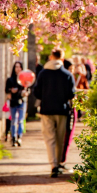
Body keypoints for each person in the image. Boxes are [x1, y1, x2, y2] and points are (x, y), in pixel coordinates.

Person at [32, 48, 76, 178]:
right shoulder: (67, 75)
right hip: (62, 110)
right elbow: (71, 94)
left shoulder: (43, 73)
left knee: (49, 138)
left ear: (51, 57)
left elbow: (37, 92)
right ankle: (58, 162)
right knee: (60, 138)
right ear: (62, 59)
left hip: (46, 109)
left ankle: (53, 165)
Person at [5, 61, 29, 147]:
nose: (18, 69)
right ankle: (13, 137)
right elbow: (6, 90)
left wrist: (25, 93)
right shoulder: (10, 79)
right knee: (13, 120)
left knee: (20, 120)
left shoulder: (24, 79)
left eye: (19, 67)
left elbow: (27, 89)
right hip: (13, 102)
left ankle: (19, 137)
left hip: (22, 101)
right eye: (16, 67)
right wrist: (11, 91)